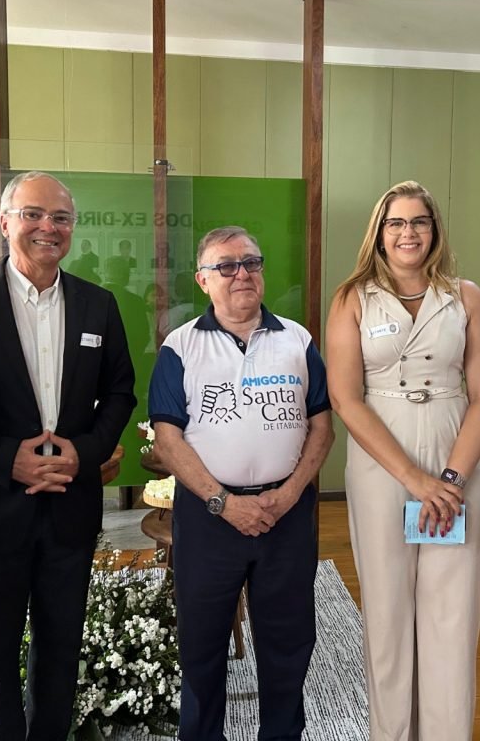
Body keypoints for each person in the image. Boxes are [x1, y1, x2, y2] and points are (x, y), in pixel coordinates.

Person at [0, 171, 136, 741]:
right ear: (5, 223)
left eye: (61, 217)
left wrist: (85, 453)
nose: (49, 226)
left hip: (71, 504)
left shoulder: (98, 304)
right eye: (33, 214)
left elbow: (120, 390)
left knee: (61, 650)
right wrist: (6, 459)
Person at [326, 180, 480, 740]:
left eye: (419, 221)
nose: (408, 233)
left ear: (434, 230)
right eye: (396, 223)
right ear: (379, 233)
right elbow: (345, 398)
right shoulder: (353, 298)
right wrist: (414, 479)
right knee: (388, 612)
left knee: (453, 613)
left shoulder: (466, 297)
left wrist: (449, 479)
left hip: (454, 460)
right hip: (383, 465)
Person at [148, 226, 334, 741]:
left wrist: (290, 493)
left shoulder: (297, 340)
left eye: (251, 262)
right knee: (202, 644)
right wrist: (222, 502)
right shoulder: (180, 346)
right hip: (208, 517)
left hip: (285, 514)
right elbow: (168, 438)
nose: (241, 274)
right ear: (203, 280)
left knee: (288, 640)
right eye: (226, 266)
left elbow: (322, 426)